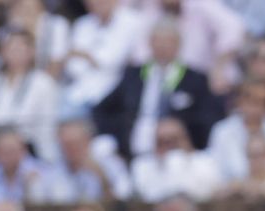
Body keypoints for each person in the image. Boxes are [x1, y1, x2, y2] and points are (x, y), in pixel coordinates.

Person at [93, 19, 223, 159]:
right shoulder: (134, 75)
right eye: (158, 41)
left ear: (178, 45)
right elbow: (102, 110)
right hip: (135, 149)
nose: (162, 46)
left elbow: (209, 117)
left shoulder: (194, 79)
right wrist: (120, 132)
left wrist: (183, 131)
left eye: (168, 42)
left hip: (177, 153)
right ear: (150, 43)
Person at [0, 28, 63, 162]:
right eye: (10, 47)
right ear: (2, 52)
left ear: (31, 52)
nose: (15, 52)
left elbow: (47, 125)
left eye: (20, 47)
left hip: (29, 149)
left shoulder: (43, 82)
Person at [63, 0, 150, 111]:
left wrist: (86, 56)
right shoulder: (82, 24)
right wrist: (92, 60)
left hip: (115, 92)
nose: (96, 3)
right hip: (78, 92)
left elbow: (113, 60)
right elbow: (73, 66)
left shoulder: (132, 20)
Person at [208, 78, 265, 181]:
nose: (257, 108)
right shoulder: (221, 132)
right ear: (240, 101)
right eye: (253, 102)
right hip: (229, 193)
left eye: (264, 103)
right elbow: (214, 172)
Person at [34, 117, 137, 200]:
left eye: (76, 144)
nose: (71, 150)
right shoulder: (50, 172)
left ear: (88, 141)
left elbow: (124, 204)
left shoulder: (112, 165)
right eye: (66, 145)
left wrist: (102, 178)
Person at [130, 115, 223, 199]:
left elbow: (210, 192)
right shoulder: (141, 167)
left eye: (174, 140)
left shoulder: (206, 162)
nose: (169, 147)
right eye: (162, 142)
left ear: (186, 140)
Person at [0, 126, 46, 200]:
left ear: (24, 150)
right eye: (2, 151)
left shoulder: (40, 170)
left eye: (12, 150)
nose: (8, 156)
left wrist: (30, 187)